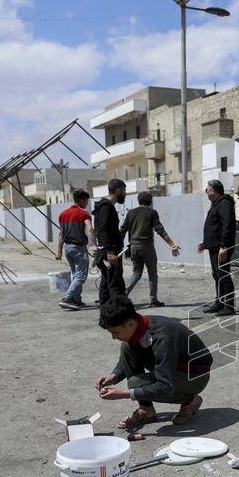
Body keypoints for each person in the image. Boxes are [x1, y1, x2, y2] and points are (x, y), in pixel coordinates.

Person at [95, 296, 214, 429]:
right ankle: (147, 410)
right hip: (175, 368)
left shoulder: (162, 337)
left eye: (115, 332)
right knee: (127, 347)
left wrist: (124, 394)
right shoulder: (139, 324)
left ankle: (191, 400)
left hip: (195, 376)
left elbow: (164, 386)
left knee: (136, 383)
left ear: (130, 324)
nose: (113, 337)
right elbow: (131, 356)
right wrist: (114, 376)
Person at [121, 191, 180, 307]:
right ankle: (153, 300)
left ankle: (123, 295)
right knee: (152, 273)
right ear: (150, 201)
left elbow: (123, 230)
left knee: (136, 273)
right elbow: (160, 230)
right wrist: (171, 243)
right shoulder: (152, 213)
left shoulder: (131, 213)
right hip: (147, 246)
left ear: (139, 200)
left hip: (133, 247)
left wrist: (118, 246)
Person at [198, 179, 236, 316]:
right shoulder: (216, 204)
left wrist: (224, 246)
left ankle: (229, 306)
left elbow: (228, 226)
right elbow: (215, 226)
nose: (206, 192)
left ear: (213, 190)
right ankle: (220, 303)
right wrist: (205, 242)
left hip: (221, 247)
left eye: (207, 190)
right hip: (214, 246)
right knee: (217, 275)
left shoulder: (224, 204)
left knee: (223, 275)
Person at [55, 189, 94, 310]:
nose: (87, 203)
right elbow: (90, 228)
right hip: (78, 248)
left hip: (67, 248)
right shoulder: (84, 214)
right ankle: (67, 298)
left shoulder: (63, 214)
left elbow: (61, 234)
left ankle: (77, 300)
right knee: (81, 276)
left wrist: (59, 251)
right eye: (86, 200)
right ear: (81, 200)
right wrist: (93, 244)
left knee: (75, 274)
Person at [93, 179, 127, 306]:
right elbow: (102, 229)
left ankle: (107, 312)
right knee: (115, 283)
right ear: (118, 190)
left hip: (109, 250)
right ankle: (117, 313)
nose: (125, 194)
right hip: (109, 251)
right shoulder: (106, 207)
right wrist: (109, 251)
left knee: (107, 281)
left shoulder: (104, 206)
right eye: (124, 191)